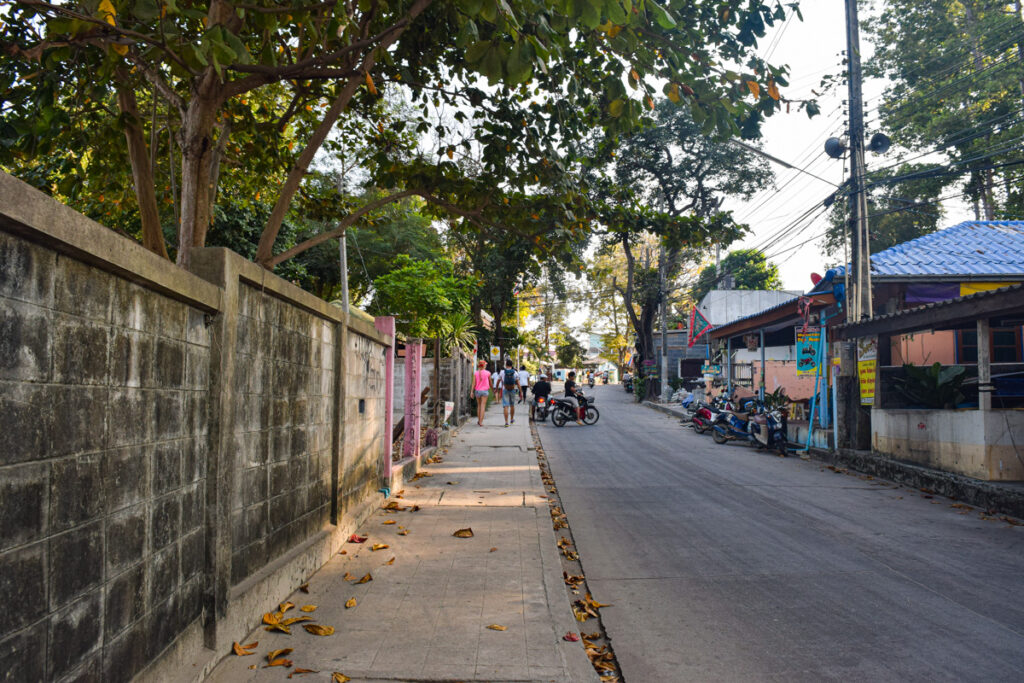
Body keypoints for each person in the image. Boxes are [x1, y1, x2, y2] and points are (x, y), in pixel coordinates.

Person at [472, 359, 491, 426]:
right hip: (485, 391)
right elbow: (490, 382)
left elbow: (473, 383)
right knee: (483, 406)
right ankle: (480, 422)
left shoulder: (476, 373)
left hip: (477, 391)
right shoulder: (488, 373)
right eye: (485, 364)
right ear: (484, 366)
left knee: (479, 406)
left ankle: (478, 420)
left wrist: (471, 392)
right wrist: (492, 389)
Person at [501, 359, 518, 426]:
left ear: (506, 365)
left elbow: (498, 381)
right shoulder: (515, 372)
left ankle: (506, 422)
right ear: (512, 365)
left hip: (505, 389)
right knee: (512, 405)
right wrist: (521, 392)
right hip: (512, 390)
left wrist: (496, 389)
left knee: (505, 406)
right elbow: (518, 383)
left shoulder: (502, 372)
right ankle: (511, 419)